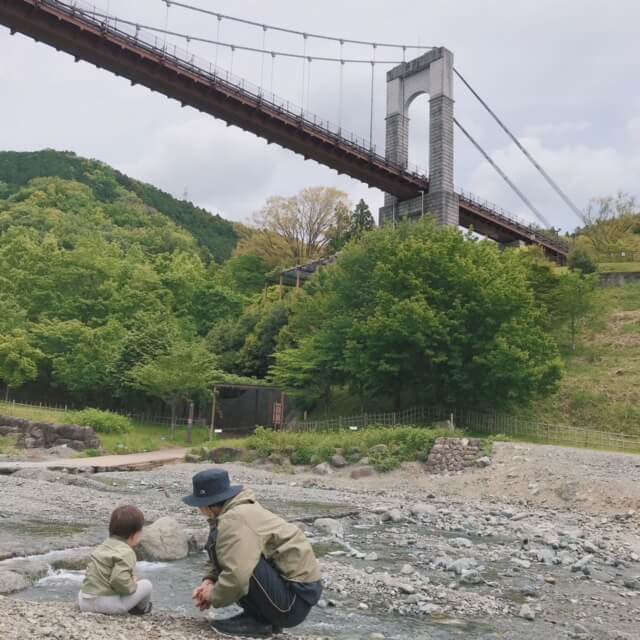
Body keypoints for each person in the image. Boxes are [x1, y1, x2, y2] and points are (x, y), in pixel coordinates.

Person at [183, 468, 322, 637]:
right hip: (294, 597)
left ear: (207, 505)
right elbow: (226, 555)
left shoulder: (235, 519)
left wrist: (213, 596)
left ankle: (260, 622)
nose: (199, 510)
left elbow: (237, 575)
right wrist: (209, 581)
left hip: (291, 604)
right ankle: (261, 619)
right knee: (240, 556)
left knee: (243, 563)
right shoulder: (238, 510)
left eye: (198, 505)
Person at [77, 505, 153, 616]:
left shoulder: (103, 546)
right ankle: (139, 609)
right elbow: (118, 580)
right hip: (106, 605)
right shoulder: (127, 552)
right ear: (134, 535)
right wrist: (133, 584)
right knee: (147, 585)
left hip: (84, 602)